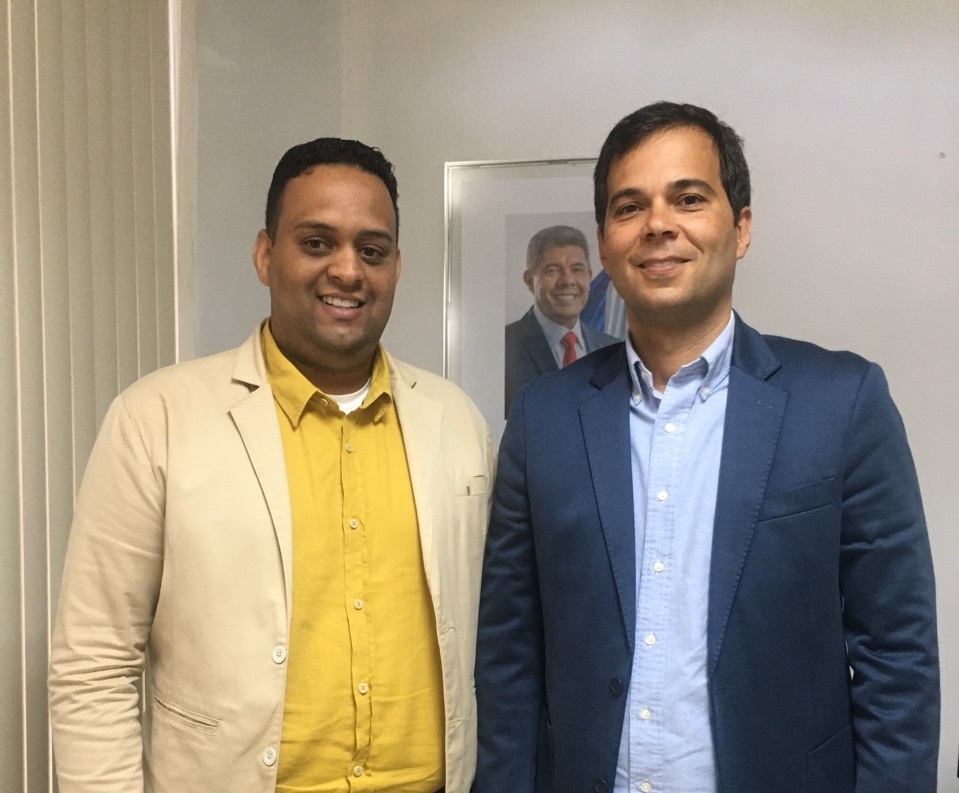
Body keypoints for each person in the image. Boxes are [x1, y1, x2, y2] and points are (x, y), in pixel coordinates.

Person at [475, 102, 940, 792]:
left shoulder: (842, 402)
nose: (658, 224)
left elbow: (896, 655)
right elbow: (508, 652)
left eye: (688, 198)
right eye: (629, 207)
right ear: (605, 243)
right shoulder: (544, 417)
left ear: (740, 226)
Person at [49, 138, 494, 793]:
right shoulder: (157, 419)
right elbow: (95, 661)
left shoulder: (457, 420)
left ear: (396, 267)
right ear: (265, 255)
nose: (347, 270)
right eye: (316, 243)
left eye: (372, 250)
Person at [505, 225, 618, 415]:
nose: (567, 281)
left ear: (589, 277)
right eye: (553, 270)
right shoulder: (505, 346)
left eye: (577, 269)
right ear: (530, 280)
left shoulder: (613, 350)